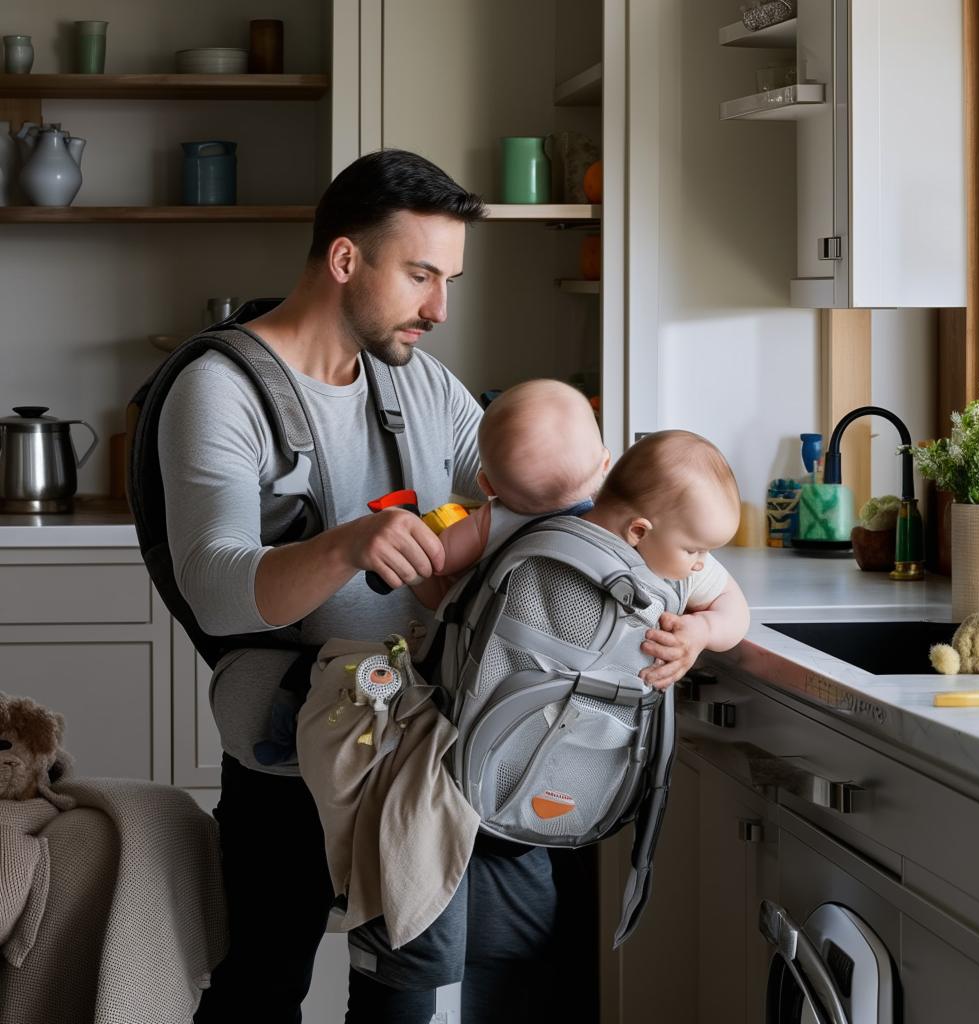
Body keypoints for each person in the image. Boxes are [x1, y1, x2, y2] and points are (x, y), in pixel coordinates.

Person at [159, 148, 704, 1024]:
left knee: (411, 995)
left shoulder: (417, 382)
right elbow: (216, 587)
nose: (440, 308)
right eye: (420, 275)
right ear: (345, 260)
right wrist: (347, 546)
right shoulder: (220, 390)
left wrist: (689, 583)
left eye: (447, 279)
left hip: (432, 743)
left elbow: (546, 506)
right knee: (263, 985)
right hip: (291, 745)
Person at [411, 377, 610, 608]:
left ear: (486, 485)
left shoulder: (488, 522)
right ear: (605, 464)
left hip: (500, 632)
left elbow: (438, 561)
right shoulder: (606, 521)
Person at [583, 429, 751, 677]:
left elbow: (735, 608)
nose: (700, 564)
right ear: (639, 531)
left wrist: (703, 629)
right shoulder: (570, 538)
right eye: (694, 551)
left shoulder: (675, 561)